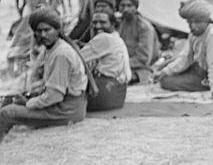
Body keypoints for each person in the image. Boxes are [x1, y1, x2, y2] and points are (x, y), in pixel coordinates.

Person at [0, 8, 90, 142]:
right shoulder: (52, 48)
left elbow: (54, 96)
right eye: (39, 31)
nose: (43, 35)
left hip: (66, 110)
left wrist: (29, 103)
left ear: (58, 30)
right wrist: (29, 94)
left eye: (47, 30)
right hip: (63, 104)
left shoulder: (61, 54)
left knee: (7, 113)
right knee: (9, 98)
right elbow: (49, 83)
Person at [153, 0, 213, 96]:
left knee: (166, 82)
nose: (193, 26)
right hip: (195, 68)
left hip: (205, 77)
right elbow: (185, 59)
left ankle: (204, 86)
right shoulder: (194, 34)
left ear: (206, 20)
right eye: (190, 22)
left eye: (197, 22)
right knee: (164, 68)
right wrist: (164, 72)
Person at [81, 7, 131, 111]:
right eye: (95, 23)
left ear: (113, 23)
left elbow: (76, 58)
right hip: (118, 95)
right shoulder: (117, 38)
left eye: (103, 22)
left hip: (105, 93)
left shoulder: (104, 38)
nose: (98, 26)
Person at [115, 0, 159, 84]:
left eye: (129, 5)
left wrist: (117, 64)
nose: (126, 9)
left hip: (141, 70)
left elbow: (143, 59)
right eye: (122, 6)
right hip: (121, 66)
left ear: (135, 7)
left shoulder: (144, 28)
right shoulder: (119, 23)